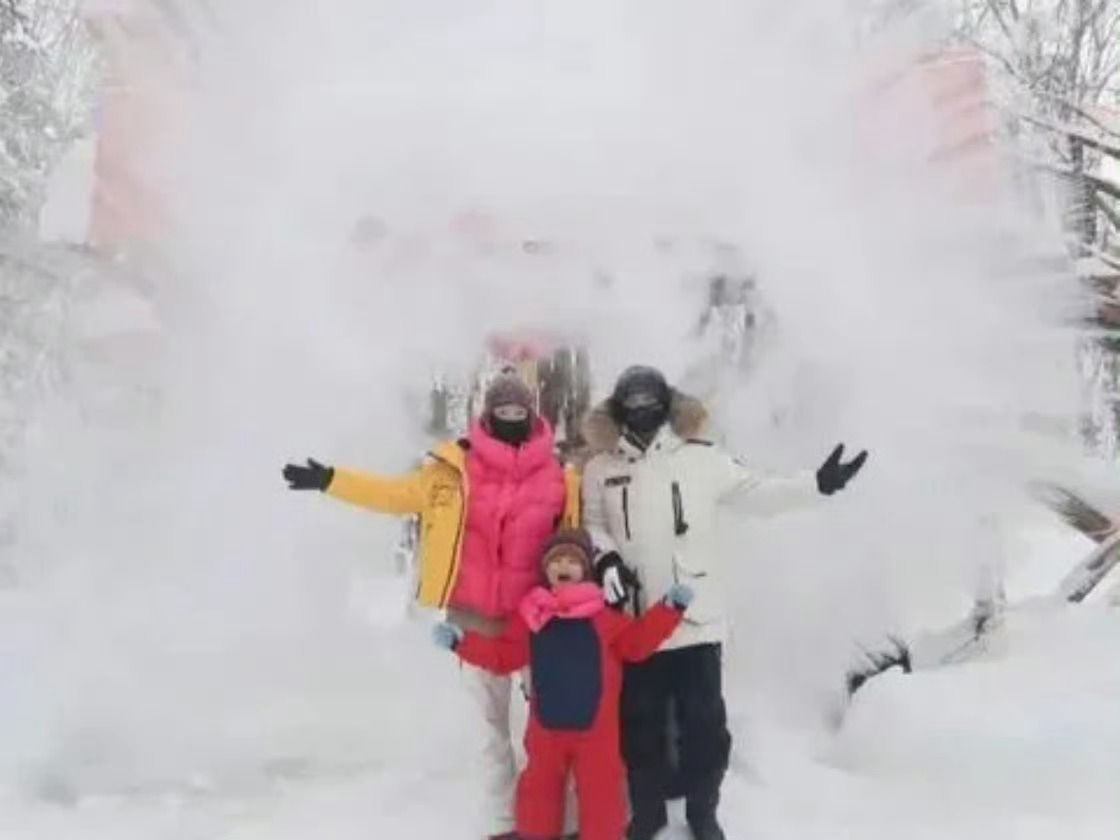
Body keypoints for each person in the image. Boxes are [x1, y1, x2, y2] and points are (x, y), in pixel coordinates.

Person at [282, 373, 580, 840]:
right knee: (487, 734)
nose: (510, 419)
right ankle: (505, 823)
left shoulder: (560, 477)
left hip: (537, 619)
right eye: (501, 412)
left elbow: (575, 542)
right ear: (487, 415)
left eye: (518, 413)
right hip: (472, 619)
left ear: (533, 415)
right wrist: (331, 480)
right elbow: (394, 495)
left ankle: (562, 823)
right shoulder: (452, 469)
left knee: (553, 728)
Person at [581, 365, 869, 840]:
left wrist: (817, 484)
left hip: (697, 617)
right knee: (639, 727)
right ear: (617, 409)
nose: (641, 412)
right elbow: (593, 524)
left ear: (666, 405)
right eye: (630, 405)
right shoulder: (601, 469)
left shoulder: (703, 459)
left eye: (649, 403)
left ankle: (702, 810)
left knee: (705, 726)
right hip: (636, 623)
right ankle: (648, 810)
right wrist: (607, 558)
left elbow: (758, 492)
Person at [431, 528, 694, 840]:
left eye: (572, 560)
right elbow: (503, 656)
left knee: (603, 799)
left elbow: (637, 643)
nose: (563, 566)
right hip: (546, 734)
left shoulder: (605, 618)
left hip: (597, 735)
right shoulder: (532, 617)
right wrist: (461, 643)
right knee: (538, 795)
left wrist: (668, 610)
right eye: (556, 560)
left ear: (586, 570)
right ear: (545, 570)